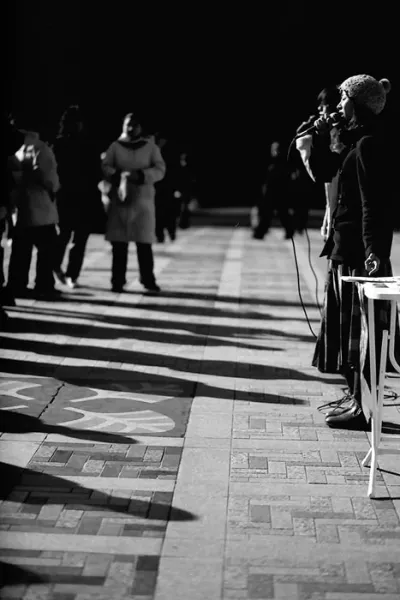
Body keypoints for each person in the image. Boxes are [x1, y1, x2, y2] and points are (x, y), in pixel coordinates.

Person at [305, 74, 396, 429]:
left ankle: (364, 409)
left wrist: (375, 252)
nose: (338, 104)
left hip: (359, 254)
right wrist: (320, 133)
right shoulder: (358, 141)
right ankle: (357, 400)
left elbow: (374, 205)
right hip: (346, 248)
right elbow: (326, 170)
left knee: (361, 335)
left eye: (343, 98)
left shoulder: (370, 144)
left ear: (356, 102)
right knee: (349, 336)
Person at [100, 113, 166, 293]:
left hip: (143, 201)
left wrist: (142, 176)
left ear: (140, 127)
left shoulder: (150, 147)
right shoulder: (115, 147)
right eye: (128, 125)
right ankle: (117, 280)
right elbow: (105, 166)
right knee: (119, 245)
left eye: (134, 125)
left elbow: (160, 170)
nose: (130, 128)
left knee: (144, 244)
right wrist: (116, 174)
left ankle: (147, 278)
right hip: (120, 201)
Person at [6, 113, 61, 300]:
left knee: (21, 250)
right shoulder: (41, 148)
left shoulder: (16, 148)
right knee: (46, 250)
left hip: (21, 207)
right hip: (41, 207)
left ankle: (17, 284)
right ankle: (44, 285)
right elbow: (50, 180)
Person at [52, 105, 100, 289]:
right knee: (66, 236)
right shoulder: (61, 144)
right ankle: (58, 266)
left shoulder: (84, 144)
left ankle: (70, 273)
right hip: (70, 196)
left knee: (77, 238)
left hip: (80, 197)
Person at [253, 140, 294, 240]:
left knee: (281, 214)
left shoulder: (283, 163)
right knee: (268, 215)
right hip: (271, 194)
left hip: (279, 193)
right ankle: (260, 233)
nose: (275, 152)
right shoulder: (270, 162)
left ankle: (288, 231)